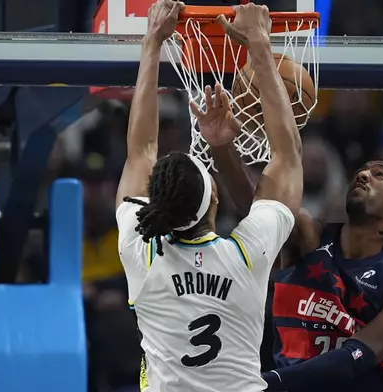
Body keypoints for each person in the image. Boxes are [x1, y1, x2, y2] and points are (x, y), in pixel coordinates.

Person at [115, 1, 303, 391]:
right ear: (213, 195)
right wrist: (260, 46)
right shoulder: (246, 256)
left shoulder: (141, 250)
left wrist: (151, 43)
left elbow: (140, 151)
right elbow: (288, 157)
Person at [204, 99, 383, 391]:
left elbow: (357, 355)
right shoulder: (308, 237)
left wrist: (269, 382)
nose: (364, 175)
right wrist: (221, 149)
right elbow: (253, 209)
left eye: (379, 175)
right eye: (362, 172)